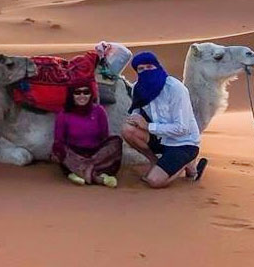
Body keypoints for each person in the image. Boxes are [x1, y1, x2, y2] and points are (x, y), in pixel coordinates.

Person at [121, 51, 208, 188]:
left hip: (183, 142)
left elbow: (182, 128)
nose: (145, 71)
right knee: (128, 130)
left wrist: (147, 126)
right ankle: (155, 162)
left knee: (154, 181)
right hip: (160, 138)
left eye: (149, 67)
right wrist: (134, 120)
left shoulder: (175, 88)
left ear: (157, 66)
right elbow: (137, 111)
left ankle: (188, 162)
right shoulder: (138, 88)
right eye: (141, 69)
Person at [51, 82, 123, 187]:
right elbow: (59, 139)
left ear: (91, 95)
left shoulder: (99, 111)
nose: (82, 96)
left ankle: (80, 172)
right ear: (72, 95)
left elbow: (104, 136)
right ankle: (97, 176)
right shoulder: (64, 114)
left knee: (116, 142)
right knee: (59, 149)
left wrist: (99, 154)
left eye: (86, 92)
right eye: (77, 93)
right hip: (75, 153)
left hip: (95, 152)